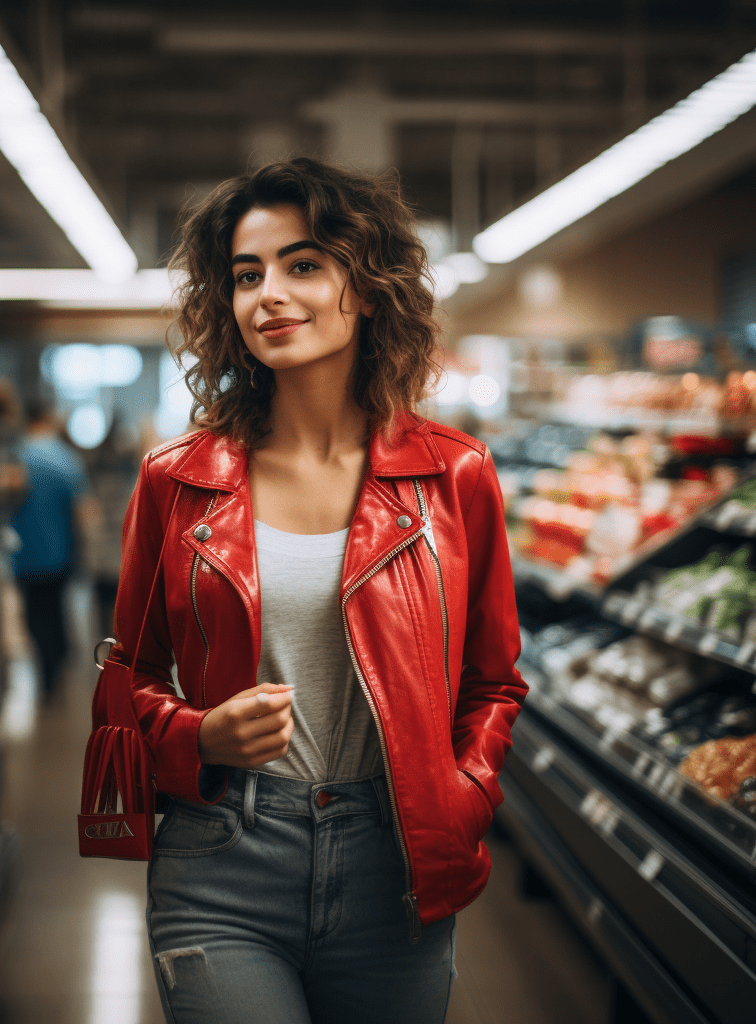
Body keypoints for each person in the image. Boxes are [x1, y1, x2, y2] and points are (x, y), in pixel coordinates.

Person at [111, 158, 528, 1024]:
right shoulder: (176, 480)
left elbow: (494, 682)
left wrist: (466, 791)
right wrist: (198, 734)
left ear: (368, 288)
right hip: (222, 857)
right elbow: (129, 681)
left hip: (397, 859)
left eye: (303, 265)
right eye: (246, 274)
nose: (270, 294)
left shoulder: (454, 477)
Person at [11, 398, 99, 701]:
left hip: (23, 553)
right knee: (55, 610)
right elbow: (84, 509)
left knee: (33, 614)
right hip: (58, 551)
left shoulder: (17, 455)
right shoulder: (65, 458)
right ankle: (57, 662)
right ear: (48, 418)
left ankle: (48, 666)